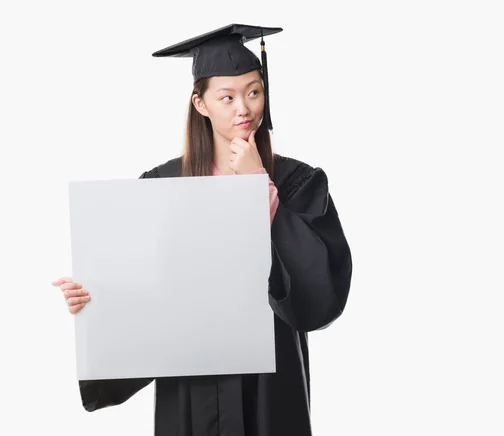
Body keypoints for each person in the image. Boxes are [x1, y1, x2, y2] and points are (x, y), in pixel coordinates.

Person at [51, 23, 352, 436]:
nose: (243, 108)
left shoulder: (297, 181)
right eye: (226, 97)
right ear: (200, 103)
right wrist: (94, 301)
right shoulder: (161, 185)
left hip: (271, 378)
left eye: (253, 92)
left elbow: (319, 291)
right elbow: (142, 287)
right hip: (190, 379)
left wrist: (261, 188)